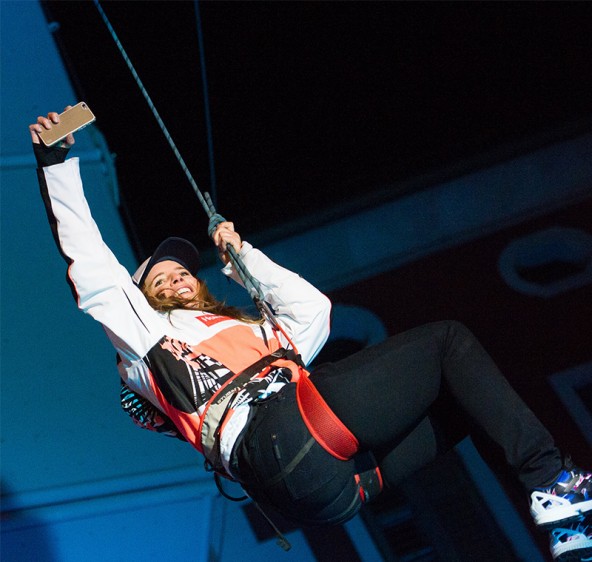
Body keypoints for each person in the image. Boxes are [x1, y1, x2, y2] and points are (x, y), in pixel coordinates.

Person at [30, 109, 591, 561]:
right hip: (280, 437)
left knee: (465, 405)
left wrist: (242, 257)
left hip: (329, 493)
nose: (176, 277)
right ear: (143, 296)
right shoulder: (144, 335)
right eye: (159, 277)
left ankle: (562, 531)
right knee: (447, 341)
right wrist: (56, 163)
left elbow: (312, 312)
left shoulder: (252, 334)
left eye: (182, 271)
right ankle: (552, 484)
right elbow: (93, 266)